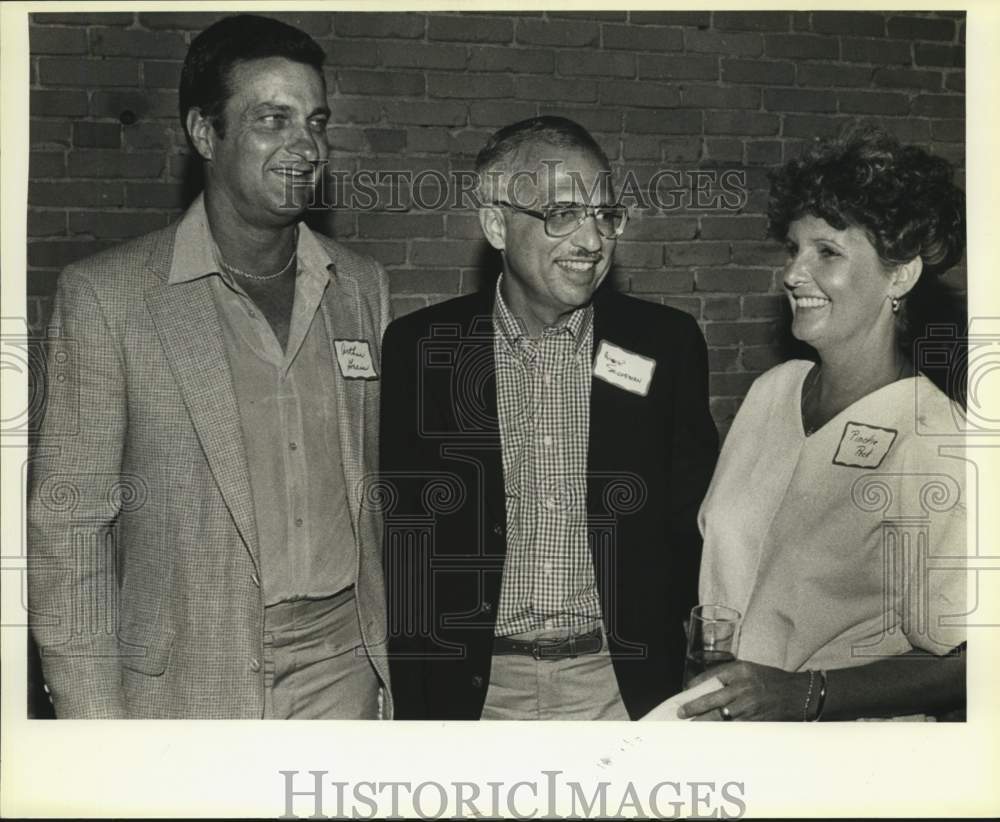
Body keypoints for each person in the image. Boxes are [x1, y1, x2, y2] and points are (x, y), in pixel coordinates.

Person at [27, 15, 393, 719]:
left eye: (315, 121)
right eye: (272, 121)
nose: (305, 147)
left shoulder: (361, 285)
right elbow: (69, 530)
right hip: (183, 678)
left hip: (342, 672)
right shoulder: (108, 296)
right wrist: (93, 727)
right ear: (204, 134)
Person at [379, 116, 718, 720]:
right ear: (495, 224)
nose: (592, 241)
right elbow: (405, 547)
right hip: (477, 696)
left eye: (604, 215)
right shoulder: (422, 349)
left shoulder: (663, 346)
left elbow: (691, 528)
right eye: (563, 215)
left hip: (619, 688)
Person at [685, 126, 967, 722]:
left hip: (852, 759)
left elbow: (968, 661)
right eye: (793, 249)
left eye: (827, 252)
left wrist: (803, 692)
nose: (793, 272)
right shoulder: (771, 393)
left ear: (902, 275)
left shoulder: (936, 436)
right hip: (732, 736)